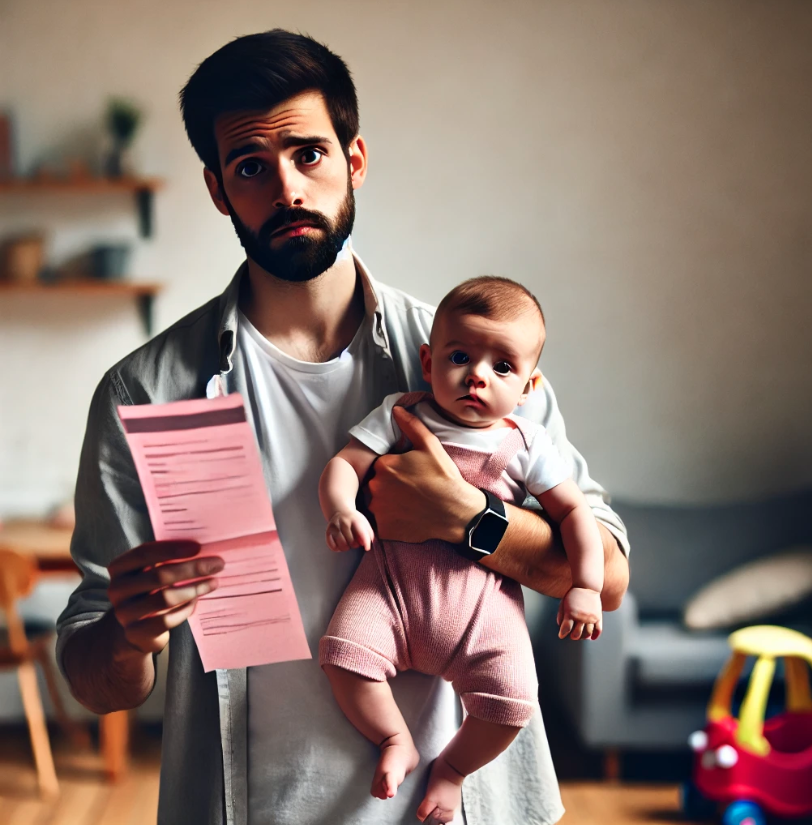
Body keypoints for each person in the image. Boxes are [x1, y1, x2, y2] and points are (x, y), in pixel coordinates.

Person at [56, 30, 629, 825]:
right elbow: (94, 677)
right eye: (251, 166)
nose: (287, 187)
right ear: (219, 190)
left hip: (455, 805)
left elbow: (606, 572)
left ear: (355, 159)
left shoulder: (473, 360)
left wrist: (474, 522)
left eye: (309, 154)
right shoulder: (146, 391)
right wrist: (127, 631)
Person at [318, 276, 604, 822]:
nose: (477, 375)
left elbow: (574, 514)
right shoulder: (403, 413)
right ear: (427, 361)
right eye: (459, 356)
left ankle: (451, 769)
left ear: (528, 387)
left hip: (485, 615)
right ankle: (395, 738)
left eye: (502, 366)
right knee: (343, 656)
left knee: (513, 702)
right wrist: (342, 508)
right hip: (392, 592)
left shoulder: (524, 444)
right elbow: (343, 465)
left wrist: (586, 586)